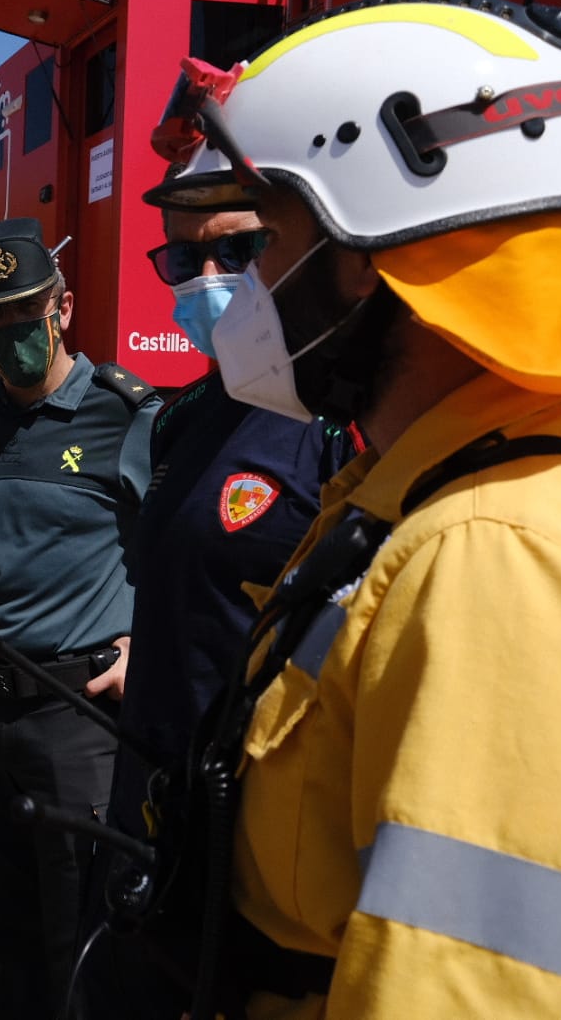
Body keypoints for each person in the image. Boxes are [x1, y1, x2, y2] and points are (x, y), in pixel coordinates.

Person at [142, 0, 561, 1017]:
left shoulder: (493, 551)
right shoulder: (407, 493)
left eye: (258, 245)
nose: (238, 289)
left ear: (358, 259)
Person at [87, 204, 358, 1016]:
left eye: (237, 250)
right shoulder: (184, 416)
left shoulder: (339, 418)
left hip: (263, 832)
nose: (209, 280)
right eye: (185, 260)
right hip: (153, 806)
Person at [0, 217, 161, 1020]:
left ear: (63, 307)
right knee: (3, 925)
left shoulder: (127, 416)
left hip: (76, 713)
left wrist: (144, 640)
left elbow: (174, 547)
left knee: (84, 928)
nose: (8, 332)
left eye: (23, 311)